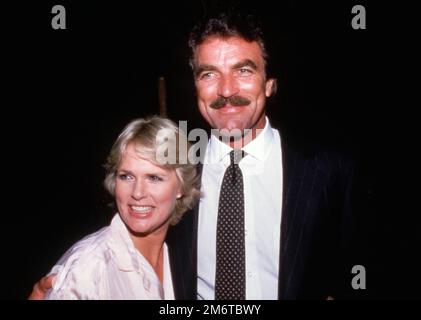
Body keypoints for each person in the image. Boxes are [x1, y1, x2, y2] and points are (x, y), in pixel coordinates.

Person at [30, 12, 360, 300]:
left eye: (243, 71)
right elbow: (126, 238)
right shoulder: (174, 165)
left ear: (270, 83)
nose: (227, 90)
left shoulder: (327, 171)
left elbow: (351, 265)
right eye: (209, 74)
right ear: (195, 84)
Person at [40, 116, 200, 299]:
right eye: (126, 176)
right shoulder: (90, 267)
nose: (138, 193)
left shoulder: (182, 261)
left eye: (154, 178)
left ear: (181, 186)